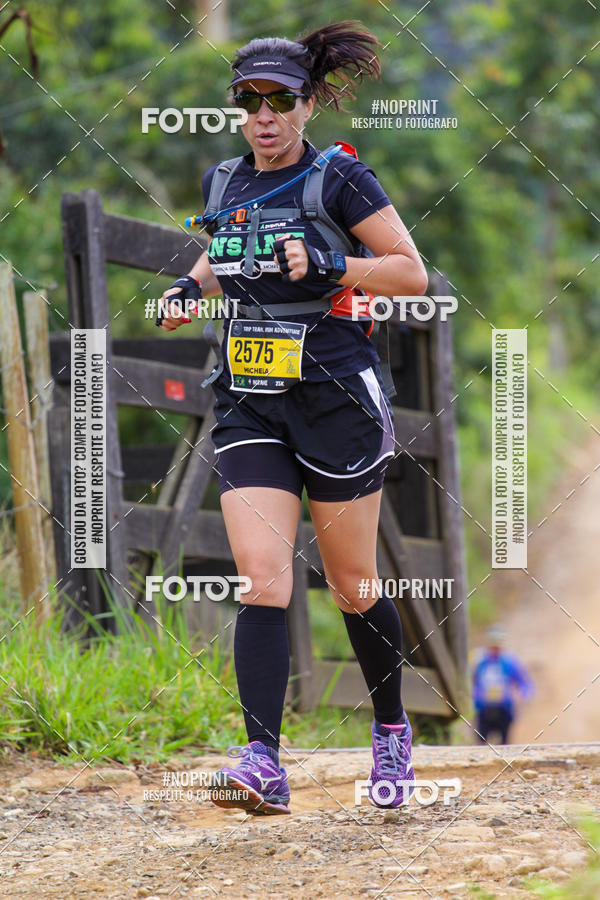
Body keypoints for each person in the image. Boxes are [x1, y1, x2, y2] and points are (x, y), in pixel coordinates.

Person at [158, 21, 428, 814]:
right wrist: (188, 291)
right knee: (263, 581)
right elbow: (220, 248)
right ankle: (262, 762)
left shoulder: (340, 180)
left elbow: (412, 273)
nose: (264, 115)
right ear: (237, 107)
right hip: (249, 396)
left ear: (308, 104)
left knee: (350, 586)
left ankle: (389, 731)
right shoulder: (224, 182)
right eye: (250, 101)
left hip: (335, 396)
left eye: (280, 100)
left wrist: (332, 262)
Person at [472, 625, 535, 745]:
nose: (495, 647)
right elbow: (469, 680)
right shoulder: (478, 660)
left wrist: (524, 695)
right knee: (480, 744)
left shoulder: (510, 661)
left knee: (504, 745)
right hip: (483, 709)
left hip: (504, 709)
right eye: (492, 644)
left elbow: (524, 682)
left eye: (498, 644)